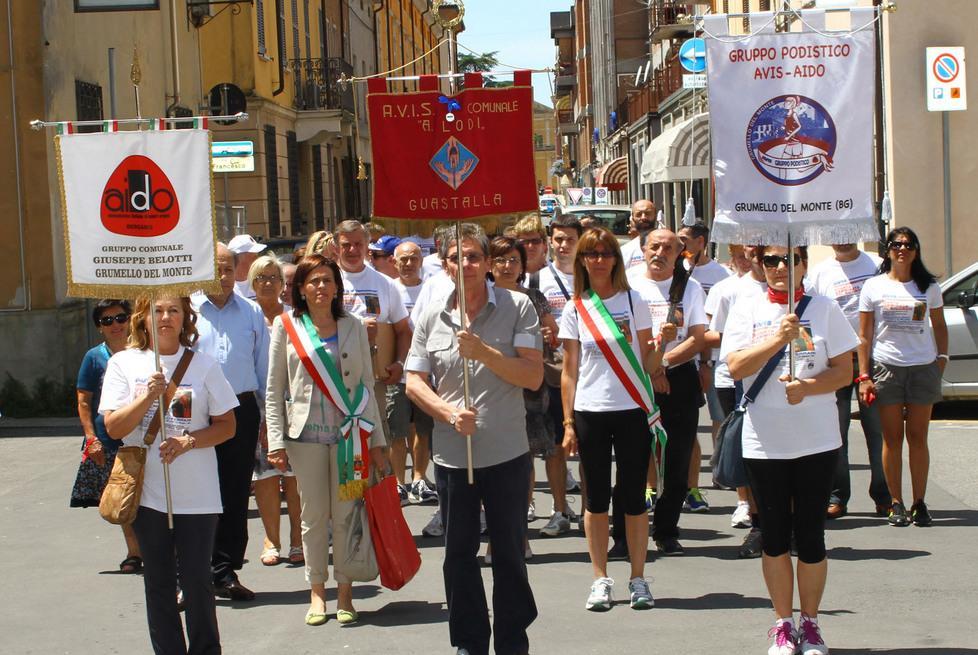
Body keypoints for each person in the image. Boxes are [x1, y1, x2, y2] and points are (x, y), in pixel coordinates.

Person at [406, 224, 542, 655]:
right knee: (458, 556)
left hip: (506, 454)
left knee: (509, 555)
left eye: (473, 256)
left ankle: (512, 642)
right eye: (455, 258)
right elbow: (414, 381)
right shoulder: (432, 315)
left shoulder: (518, 306)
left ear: (486, 263)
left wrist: (484, 352)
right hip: (452, 457)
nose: (465, 264)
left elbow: (533, 375)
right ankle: (469, 643)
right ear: (444, 266)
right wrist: (447, 412)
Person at [723, 244, 858, 655]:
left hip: (817, 440)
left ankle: (811, 624)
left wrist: (809, 388)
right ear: (761, 266)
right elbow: (735, 367)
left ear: (803, 263)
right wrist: (777, 339)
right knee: (775, 536)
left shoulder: (824, 308)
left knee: (811, 536)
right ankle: (783, 623)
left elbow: (844, 371)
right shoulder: (746, 307)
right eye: (771, 260)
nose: (780, 267)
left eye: (789, 259)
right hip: (766, 442)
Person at [100, 295, 238, 655]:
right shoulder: (122, 363)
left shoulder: (204, 364)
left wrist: (188, 441)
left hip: (198, 495)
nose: (165, 317)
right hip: (147, 494)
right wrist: (148, 397)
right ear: (142, 318)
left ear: (184, 317)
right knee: (159, 583)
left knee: (197, 582)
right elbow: (113, 428)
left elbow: (227, 425)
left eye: (173, 310)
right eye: (157, 311)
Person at [265, 254, 387, 626]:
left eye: (327, 280)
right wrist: (276, 441)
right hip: (305, 439)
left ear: (336, 287)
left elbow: (367, 385)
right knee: (314, 516)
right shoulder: (286, 325)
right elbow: (274, 390)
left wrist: (378, 441)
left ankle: (345, 591)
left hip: (351, 437)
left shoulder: (353, 325)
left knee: (347, 513)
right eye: (313, 281)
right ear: (301, 288)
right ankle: (317, 591)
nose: (321, 287)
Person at [559, 226, 669, 612]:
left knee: (634, 497)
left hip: (632, 409)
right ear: (582, 261)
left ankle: (638, 577)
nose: (599, 260)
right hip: (591, 411)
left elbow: (649, 364)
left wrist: (663, 344)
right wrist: (568, 423)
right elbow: (569, 371)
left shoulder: (634, 301)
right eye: (592, 254)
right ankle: (600, 578)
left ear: (616, 260)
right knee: (596, 498)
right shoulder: (575, 308)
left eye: (606, 253)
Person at [193, 243, 271, 601]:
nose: (223, 277)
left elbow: (263, 368)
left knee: (235, 492)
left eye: (228, 269)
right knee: (194, 492)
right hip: (197, 413)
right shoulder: (187, 309)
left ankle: (224, 572)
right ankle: (189, 574)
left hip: (241, 409)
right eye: (216, 269)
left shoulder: (251, 311)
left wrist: (269, 418)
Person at [857, 227, 948, 527]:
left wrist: (941, 361)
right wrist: (864, 375)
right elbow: (865, 334)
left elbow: (940, 326)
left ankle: (919, 503)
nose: (902, 249)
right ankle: (896, 503)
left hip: (922, 367)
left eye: (908, 245)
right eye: (896, 244)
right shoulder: (873, 286)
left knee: (918, 437)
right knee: (892, 438)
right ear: (888, 250)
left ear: (916, 251)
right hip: (887, 367)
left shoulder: (929, 287)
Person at [627, 229, 707, 556]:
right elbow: (623, 334)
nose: (660, 253)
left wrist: (663, 364)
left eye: (668, 248)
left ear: (678, 253)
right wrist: (650, 370)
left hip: (679, 378)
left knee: (677, 458)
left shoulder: (690, 288)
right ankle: (627, 532)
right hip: (636, 378)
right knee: (634, 457)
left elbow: (698, 337)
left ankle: (666, 530)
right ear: (643, 250)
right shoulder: (628, 284)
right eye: (654, 246)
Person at [488, 235, 560, 560]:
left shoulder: (533, 297)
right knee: (490, 465)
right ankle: (494, 537)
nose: (507, 266)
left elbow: (553, 334)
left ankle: (519, 535)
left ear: (522, 265)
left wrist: (546, 335)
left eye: (513, 260)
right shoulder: (480, 297)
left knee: (522, 462)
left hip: (527, 388)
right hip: (490, 387)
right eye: (500, 259)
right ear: (489, 264)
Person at [809, 243, 889, 519]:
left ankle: (884, 495)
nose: (842, 240)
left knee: (877, 430)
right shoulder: (819, 273)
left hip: (874, 358)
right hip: (837, 360)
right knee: (837, 431)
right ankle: (838, 496)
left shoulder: (877, 264)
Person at [704, 246, 768, 557]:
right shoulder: (730, 290)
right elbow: (715, 334)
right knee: (748, 453)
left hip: (780, 384)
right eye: (754, 254)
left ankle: (789, 523)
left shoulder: (799, 290)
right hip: (737, 381)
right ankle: (752, 513)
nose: (768, 263)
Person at [71, 299, 141, 573]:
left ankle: (161, 550)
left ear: (130, 319)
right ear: (99, 327)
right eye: (107, 321)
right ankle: (134, 552)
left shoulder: (144, 352)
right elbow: (84, 400)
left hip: (145, 436)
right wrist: (91, 439)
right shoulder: (94, 357)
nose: (115, 325)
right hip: (109, 439)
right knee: (124, 496)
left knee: (150, 495)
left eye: (120, 318)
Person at [520, 213, 579, 531]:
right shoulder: (536, 280)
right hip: (547, 371)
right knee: (534, 446)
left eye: (570, 239)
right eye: (559, 239)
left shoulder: (589, 276)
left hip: (582, 370)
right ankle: (529, 505)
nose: (564, 245)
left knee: (568, 445)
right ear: (550, 244)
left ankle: (567, 509)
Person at [334, 220, 411, 447]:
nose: (352, 250)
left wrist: (400, 363)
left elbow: (403, 330)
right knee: (339, 443)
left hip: (373, 380)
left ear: (368, 245)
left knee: (375, 441)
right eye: (346, 245)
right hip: (332, 376)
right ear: (336, 246)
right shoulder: (326, 282)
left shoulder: (385, 284)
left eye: (358, 244)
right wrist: (358, 328)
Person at [247, 255, 303, 566]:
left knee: (294, 474)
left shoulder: (296, 317)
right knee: (265, 474)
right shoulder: (246, 315)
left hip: (294, 403)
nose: (267, 283)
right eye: (261, 277)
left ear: (283, 284)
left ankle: (297, 538)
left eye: (273, 277)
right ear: (252, 283)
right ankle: (272, 539)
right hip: (255, 403)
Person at [677, 221, 732, 513]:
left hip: (714, 356)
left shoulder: (719, 275)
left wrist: (707, 361)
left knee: (719, 416)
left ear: (701, 241)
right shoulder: (679, 273)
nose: (681, 245)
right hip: (680, 358)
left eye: (685, 240)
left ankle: (719, 467)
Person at [388, 240, 437, 506]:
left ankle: (419, 478)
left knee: (423, 430)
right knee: (396, 432)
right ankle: (398, 483)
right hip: (397, 373)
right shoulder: (389, 288)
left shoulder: (431, 289)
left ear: (421, 261)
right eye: (403, 259)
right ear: (394, 262)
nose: (408, 264)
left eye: (413, 258)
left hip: (426, 373)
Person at [618, 199, 657, 271]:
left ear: (655, 215)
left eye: (647, 213)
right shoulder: (625, 251)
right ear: (633, 217)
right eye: (639, 214)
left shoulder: (669, 245)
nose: (643, 217)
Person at [228, 234, 268, 299]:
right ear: (238, 259)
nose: (257, 259)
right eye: (254, 256)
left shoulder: (262, 283)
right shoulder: (224, 288)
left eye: (257, 255)